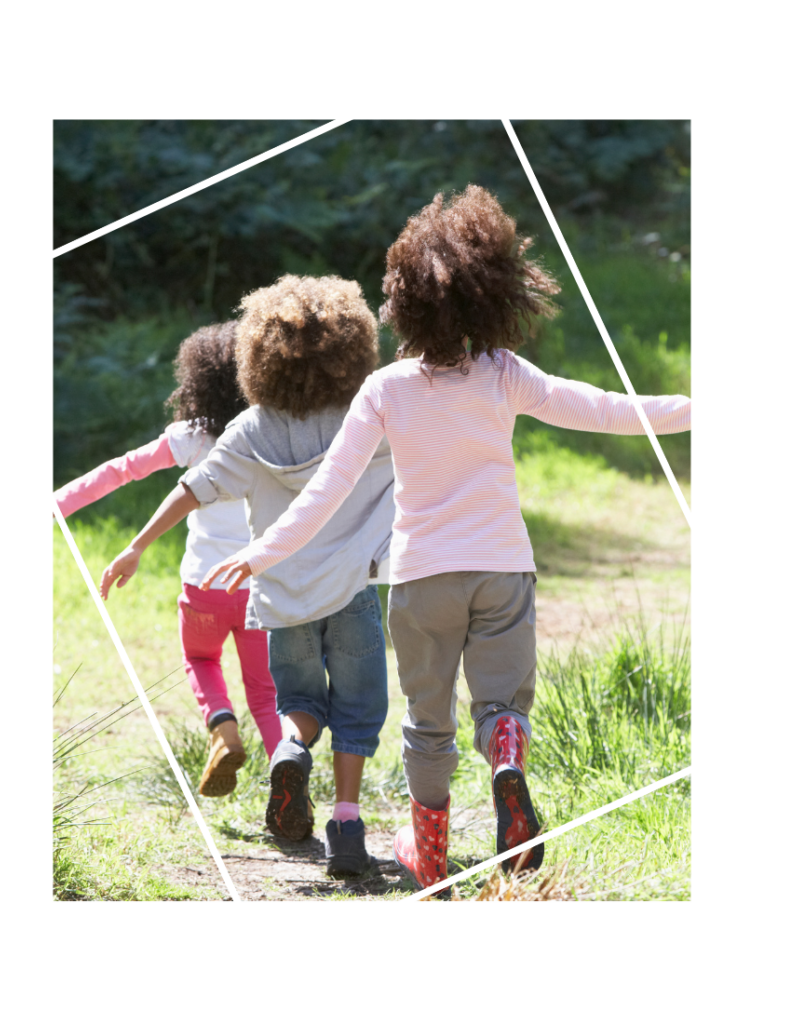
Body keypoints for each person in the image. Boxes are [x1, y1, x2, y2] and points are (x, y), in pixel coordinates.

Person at [200, 186, 694, 897]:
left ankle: (429, 859)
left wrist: (264, 551)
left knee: (428, 726)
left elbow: (326, 490)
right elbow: (611, 411)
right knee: (502, 705)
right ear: (492, 294)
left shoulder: (385, 390)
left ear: (402, 301)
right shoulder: (504, 376)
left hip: (424, 580)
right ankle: (507, 756)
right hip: (503, 572)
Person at [100, 275, 395, 878]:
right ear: (351, 347)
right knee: (358, 711)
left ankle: (289, 751)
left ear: (257, 355)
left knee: (301, 702)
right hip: (352, 593)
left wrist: (134, 546)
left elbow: (191, 488)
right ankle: (345, 825)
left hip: (281, 598)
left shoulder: (251, 428)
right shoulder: (363, 417)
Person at [53, 321, 282, 797]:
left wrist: (60, 503)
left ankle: (222, 729)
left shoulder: (193, 437)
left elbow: (120, 471)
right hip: (261, 587)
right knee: (265, 692)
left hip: (204, 587)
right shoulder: (272, 434)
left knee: (200, 657)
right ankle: (288, 779)